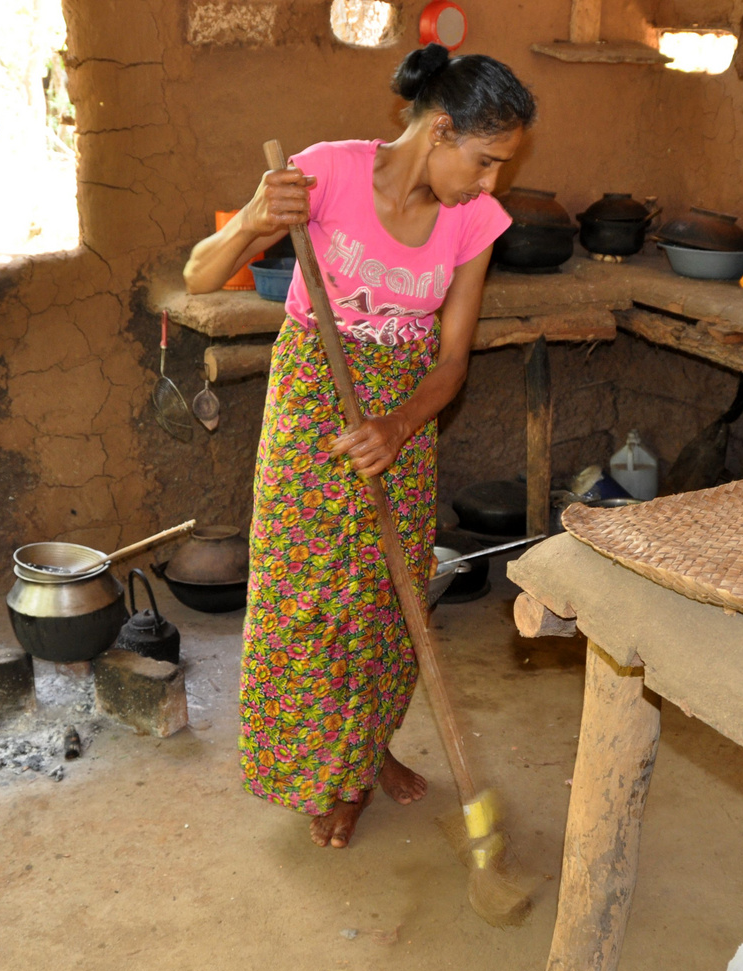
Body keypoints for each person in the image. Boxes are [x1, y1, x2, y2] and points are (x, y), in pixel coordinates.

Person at [182, 44, 536, 848]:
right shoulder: (325, 175)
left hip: (403, 419)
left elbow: (452, 362)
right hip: (313, 404)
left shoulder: (474, 222)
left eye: (501, 169)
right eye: (484, 162)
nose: (489, 185)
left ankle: (367, 751)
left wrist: (398, 425)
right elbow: (201, 275)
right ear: (441, 130)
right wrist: (253, 220)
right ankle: (323, 776)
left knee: (384, 595)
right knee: (306, 597)